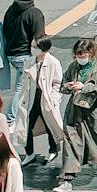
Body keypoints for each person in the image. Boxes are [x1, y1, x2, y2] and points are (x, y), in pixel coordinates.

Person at [52, 37, 97, 192]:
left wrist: (85, 87)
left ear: (91, 53)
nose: (80, 58)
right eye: (78, 55)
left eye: (83, 55)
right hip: (75, 111)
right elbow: (64, 82)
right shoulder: (73, 67)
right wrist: (68, 86)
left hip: (94, 111)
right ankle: (67, 179)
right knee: (71, 141)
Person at [1, 0, 44, 138]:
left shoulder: (11, 9)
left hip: (10, 52)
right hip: (24, 55)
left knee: (25, 85)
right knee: (21, 88)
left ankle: (22, 114)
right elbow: (40, 37)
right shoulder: (35, 12)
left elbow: (5, 29)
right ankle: (11, 120)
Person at [20, 36, 66, 170]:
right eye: (32, 45)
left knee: (50, 124)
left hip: (45, 99)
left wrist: (54, 98)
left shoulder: (53, 62)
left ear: (44, 48)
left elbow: (57, 83)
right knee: (26, 126)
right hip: (31, 99)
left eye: (35, 47)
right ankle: (29, 153)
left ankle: (53, 150)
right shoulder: (29, 61)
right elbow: (25, 80)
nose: (32, 48)